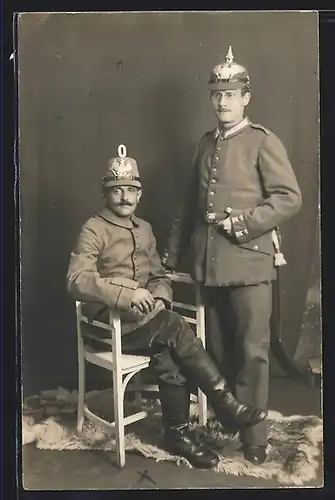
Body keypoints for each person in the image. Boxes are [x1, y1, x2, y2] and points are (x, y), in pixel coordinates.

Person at [66, 144, 267, 470]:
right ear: (106, 193)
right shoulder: (93, 229)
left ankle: (178, 435)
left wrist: (159, 297)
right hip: (107, 325)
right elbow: (76, 279)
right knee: (173, 327)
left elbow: (159, 276)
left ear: (140, 194)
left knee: (168, 352)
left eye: (131, 190)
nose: (124, 198)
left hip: (146, 323)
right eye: (117, 191)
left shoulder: (144, 229)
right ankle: (225, 404)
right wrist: (127, 294)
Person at [162, 47, 302, 465]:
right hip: (209, 263)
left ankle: (254, 437)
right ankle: (227, 423)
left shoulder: (262, 140)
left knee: (253, 351)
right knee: (216, 349)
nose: (223, 101)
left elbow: (288, 198)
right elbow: (188, 205)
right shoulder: (206, 144)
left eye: (231, 93)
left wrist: (242, 224)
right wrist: (172, 258)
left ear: (246, 97)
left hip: (251, 262)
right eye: (216, 94)